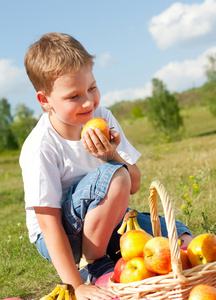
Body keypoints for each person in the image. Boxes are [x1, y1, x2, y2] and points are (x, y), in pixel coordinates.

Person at [20, 32, 192, 300]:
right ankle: (93, 267)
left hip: (108, 221)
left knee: (180, 239)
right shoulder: (41, 146)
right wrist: (76, 286)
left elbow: (134, 185)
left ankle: (110, 259)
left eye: (92, 88)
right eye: (73, 96)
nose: (88, 102)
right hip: (62, 237)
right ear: (45, 101)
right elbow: (48, 222)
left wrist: (111, 154)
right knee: (115, 177)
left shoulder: (102, 117)